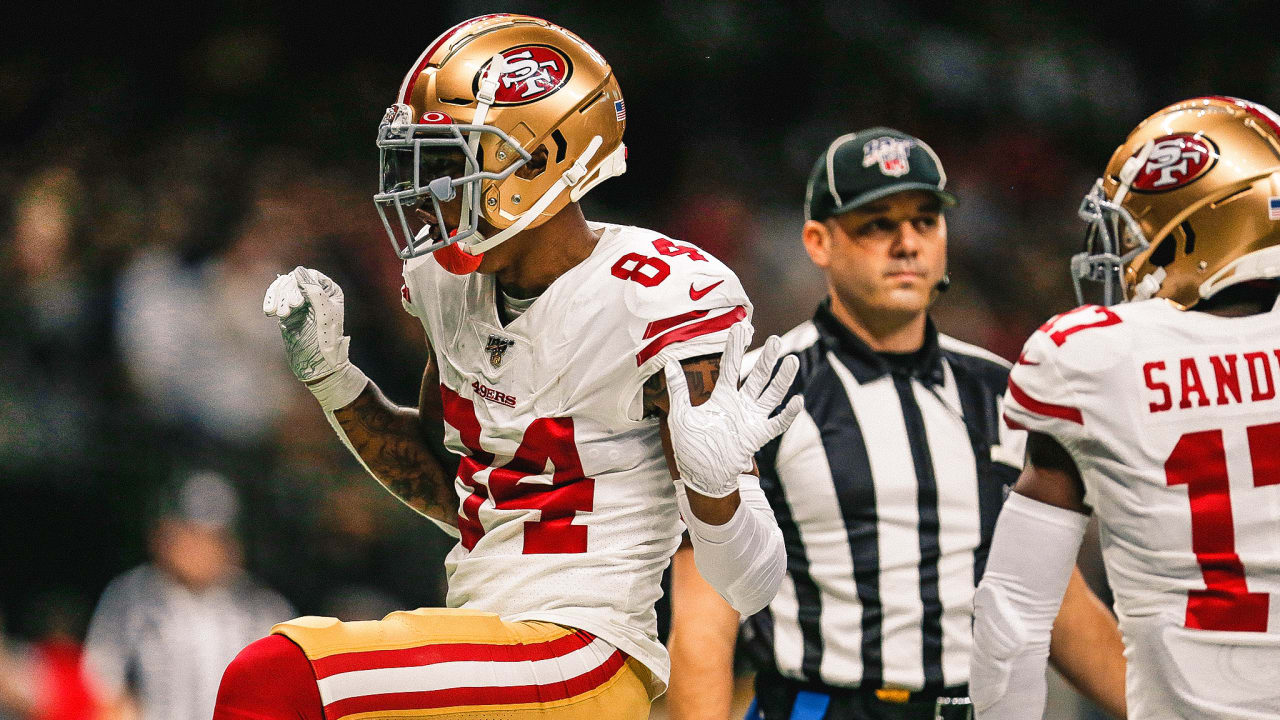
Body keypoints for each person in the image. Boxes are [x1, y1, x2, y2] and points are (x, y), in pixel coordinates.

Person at [215, 14, 801, 720]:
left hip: (581, 653)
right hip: (492, 646)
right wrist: (334, 380)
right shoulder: (447, 284)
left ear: (543, 161)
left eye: (455, 164)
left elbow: (752, 580)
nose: (430, 191)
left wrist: (716, 492)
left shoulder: (660, 298)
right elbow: (456, 494)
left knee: (276, 678)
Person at [667, 128, 1129, 720]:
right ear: (818, 241)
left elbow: (1053, 600)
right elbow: (705, 618)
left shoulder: (1003, 390)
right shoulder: (761, 391)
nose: (907, 243)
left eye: (925, 220)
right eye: (877, 224)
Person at [970, 96, 1280, 720]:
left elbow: (1013, 613)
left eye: (1138, 232)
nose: (1129, 254)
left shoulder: (1093, 360)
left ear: (1198, 227)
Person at [81, 470, 293, 720]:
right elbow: (102, 685)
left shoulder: (262, 607)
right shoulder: (132, 596)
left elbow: (292, 691)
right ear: (163, 536)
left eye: (212, 538)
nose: (198, 548)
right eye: (189, 533)